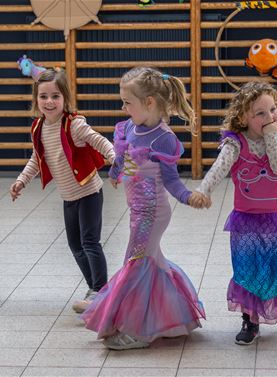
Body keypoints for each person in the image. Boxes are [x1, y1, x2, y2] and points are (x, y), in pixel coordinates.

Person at [81, 67, 207, 350]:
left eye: (128, 102)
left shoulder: (163, 138)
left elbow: (172, 181)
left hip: (154, 213)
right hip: (137, 210)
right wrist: (114, 174)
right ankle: (174, 316)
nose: (123, 107)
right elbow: (121, 157)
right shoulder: (128, 127)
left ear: (149, 102)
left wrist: (189, 197)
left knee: (136, 262)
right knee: (153, 263)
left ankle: (138, 331)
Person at [195, 81, 277, 345]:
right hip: (246, 219)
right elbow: (220, 167)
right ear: (243, 117)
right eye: (260, 113)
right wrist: (204, 189)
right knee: (247, 268)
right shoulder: (234, 144)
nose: (269, 118)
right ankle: (250, 319)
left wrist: (271, 136)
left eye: (273, 110)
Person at [9, 68, 115, 313]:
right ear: (36, 99)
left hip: (88, 193)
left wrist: (114, 157)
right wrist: (22, 181)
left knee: (90, 242)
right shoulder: (38, 127)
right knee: (75, 246)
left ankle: (100, 289)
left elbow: (98, 140)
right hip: (68, 197)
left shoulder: (74, 124)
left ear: (65, 98)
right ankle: (94, 288)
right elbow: (37, 159)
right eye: (43, 96)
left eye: (55, 96)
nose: (49, 102)